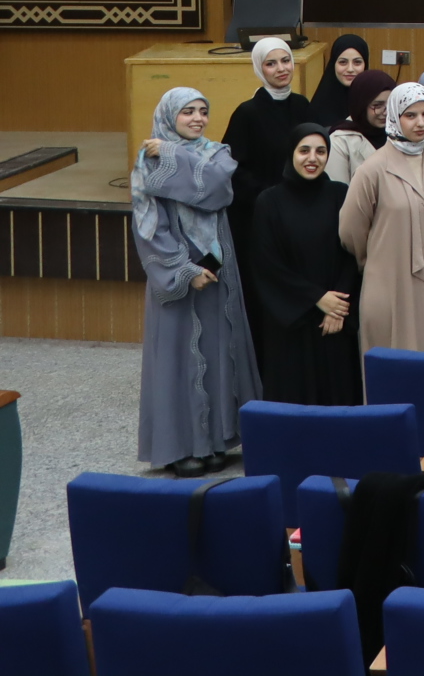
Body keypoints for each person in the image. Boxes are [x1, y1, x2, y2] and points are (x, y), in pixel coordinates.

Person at [132, 88, 259, 473]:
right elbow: (149, 227)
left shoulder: (214, 153)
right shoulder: (149, 162)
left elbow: (218, 189)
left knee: (219, 351)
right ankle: (182, 447)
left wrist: (175, 153)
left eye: (203, 111)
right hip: (177, 271)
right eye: (187, 112)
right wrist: (183, 270)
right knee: (179, 358)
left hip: (218, 269)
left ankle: (216, 440)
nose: (198, 119)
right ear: (169, 116)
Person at [338, 81, 424, 354]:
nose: (421, 123)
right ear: (395, 116)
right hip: (390, 281)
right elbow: (350, 230)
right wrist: (379, 259)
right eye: (410, 115)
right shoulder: (372, 169)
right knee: (395, 357)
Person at [248, 119, 362, 406]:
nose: (313, 159)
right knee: (293, 400)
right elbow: (268, 265)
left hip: (334, 320)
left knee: (337, 399)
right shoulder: (269, 201)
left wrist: (338, 307)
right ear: (291, 153)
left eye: (321, 151)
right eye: (304, 151)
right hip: (291, 324)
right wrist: (317, 298)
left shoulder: (340, 194)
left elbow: (352, 253)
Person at [221, 35, 304, 343]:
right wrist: (269, 196)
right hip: (260, 217)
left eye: (285, 61)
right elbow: (232, 169)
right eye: (271, 63)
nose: (281, 69)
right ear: (259, 68)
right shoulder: (248, 113)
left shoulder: (302, 105)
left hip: (299, 212)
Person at [327, 71, 398, 185]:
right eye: (377, 105)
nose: (386, 112)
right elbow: (339, 190)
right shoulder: (340, 141)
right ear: (361, 105)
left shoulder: (400, 134)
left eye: (391, 105)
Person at [311, 33, 371, 126]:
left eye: (357, 62)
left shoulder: (374, 103)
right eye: (343, 62)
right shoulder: (317, 108)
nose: (350, 69)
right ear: (333, 64)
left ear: (365, 65)